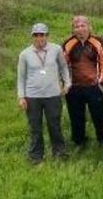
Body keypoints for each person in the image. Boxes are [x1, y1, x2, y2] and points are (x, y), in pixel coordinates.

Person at [18, 23, 70, 163]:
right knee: (35, 127)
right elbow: (21, 77)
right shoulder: (25, 54)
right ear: (32, 36)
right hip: (32, 96)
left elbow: (64, 67)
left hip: (53, 95)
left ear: (47, 35)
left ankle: (60, 153)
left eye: (42, 35)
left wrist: (67, 84)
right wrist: (21, 97)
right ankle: (36, 156)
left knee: (55, 125)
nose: (39, 38)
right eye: (36, 35)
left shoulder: (56, 49)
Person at [62, 15, 103, 147]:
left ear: (89, 27)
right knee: (76, 117)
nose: (80, 29)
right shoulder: (68, 43)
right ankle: (79, 142)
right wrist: (66, 84)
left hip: (94, 86)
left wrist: (101, 81)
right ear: (73, 29)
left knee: (99, 116)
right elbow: (63, 65)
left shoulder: (98, 41)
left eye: (83, 26)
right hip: (74, 87)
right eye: (77, 26)